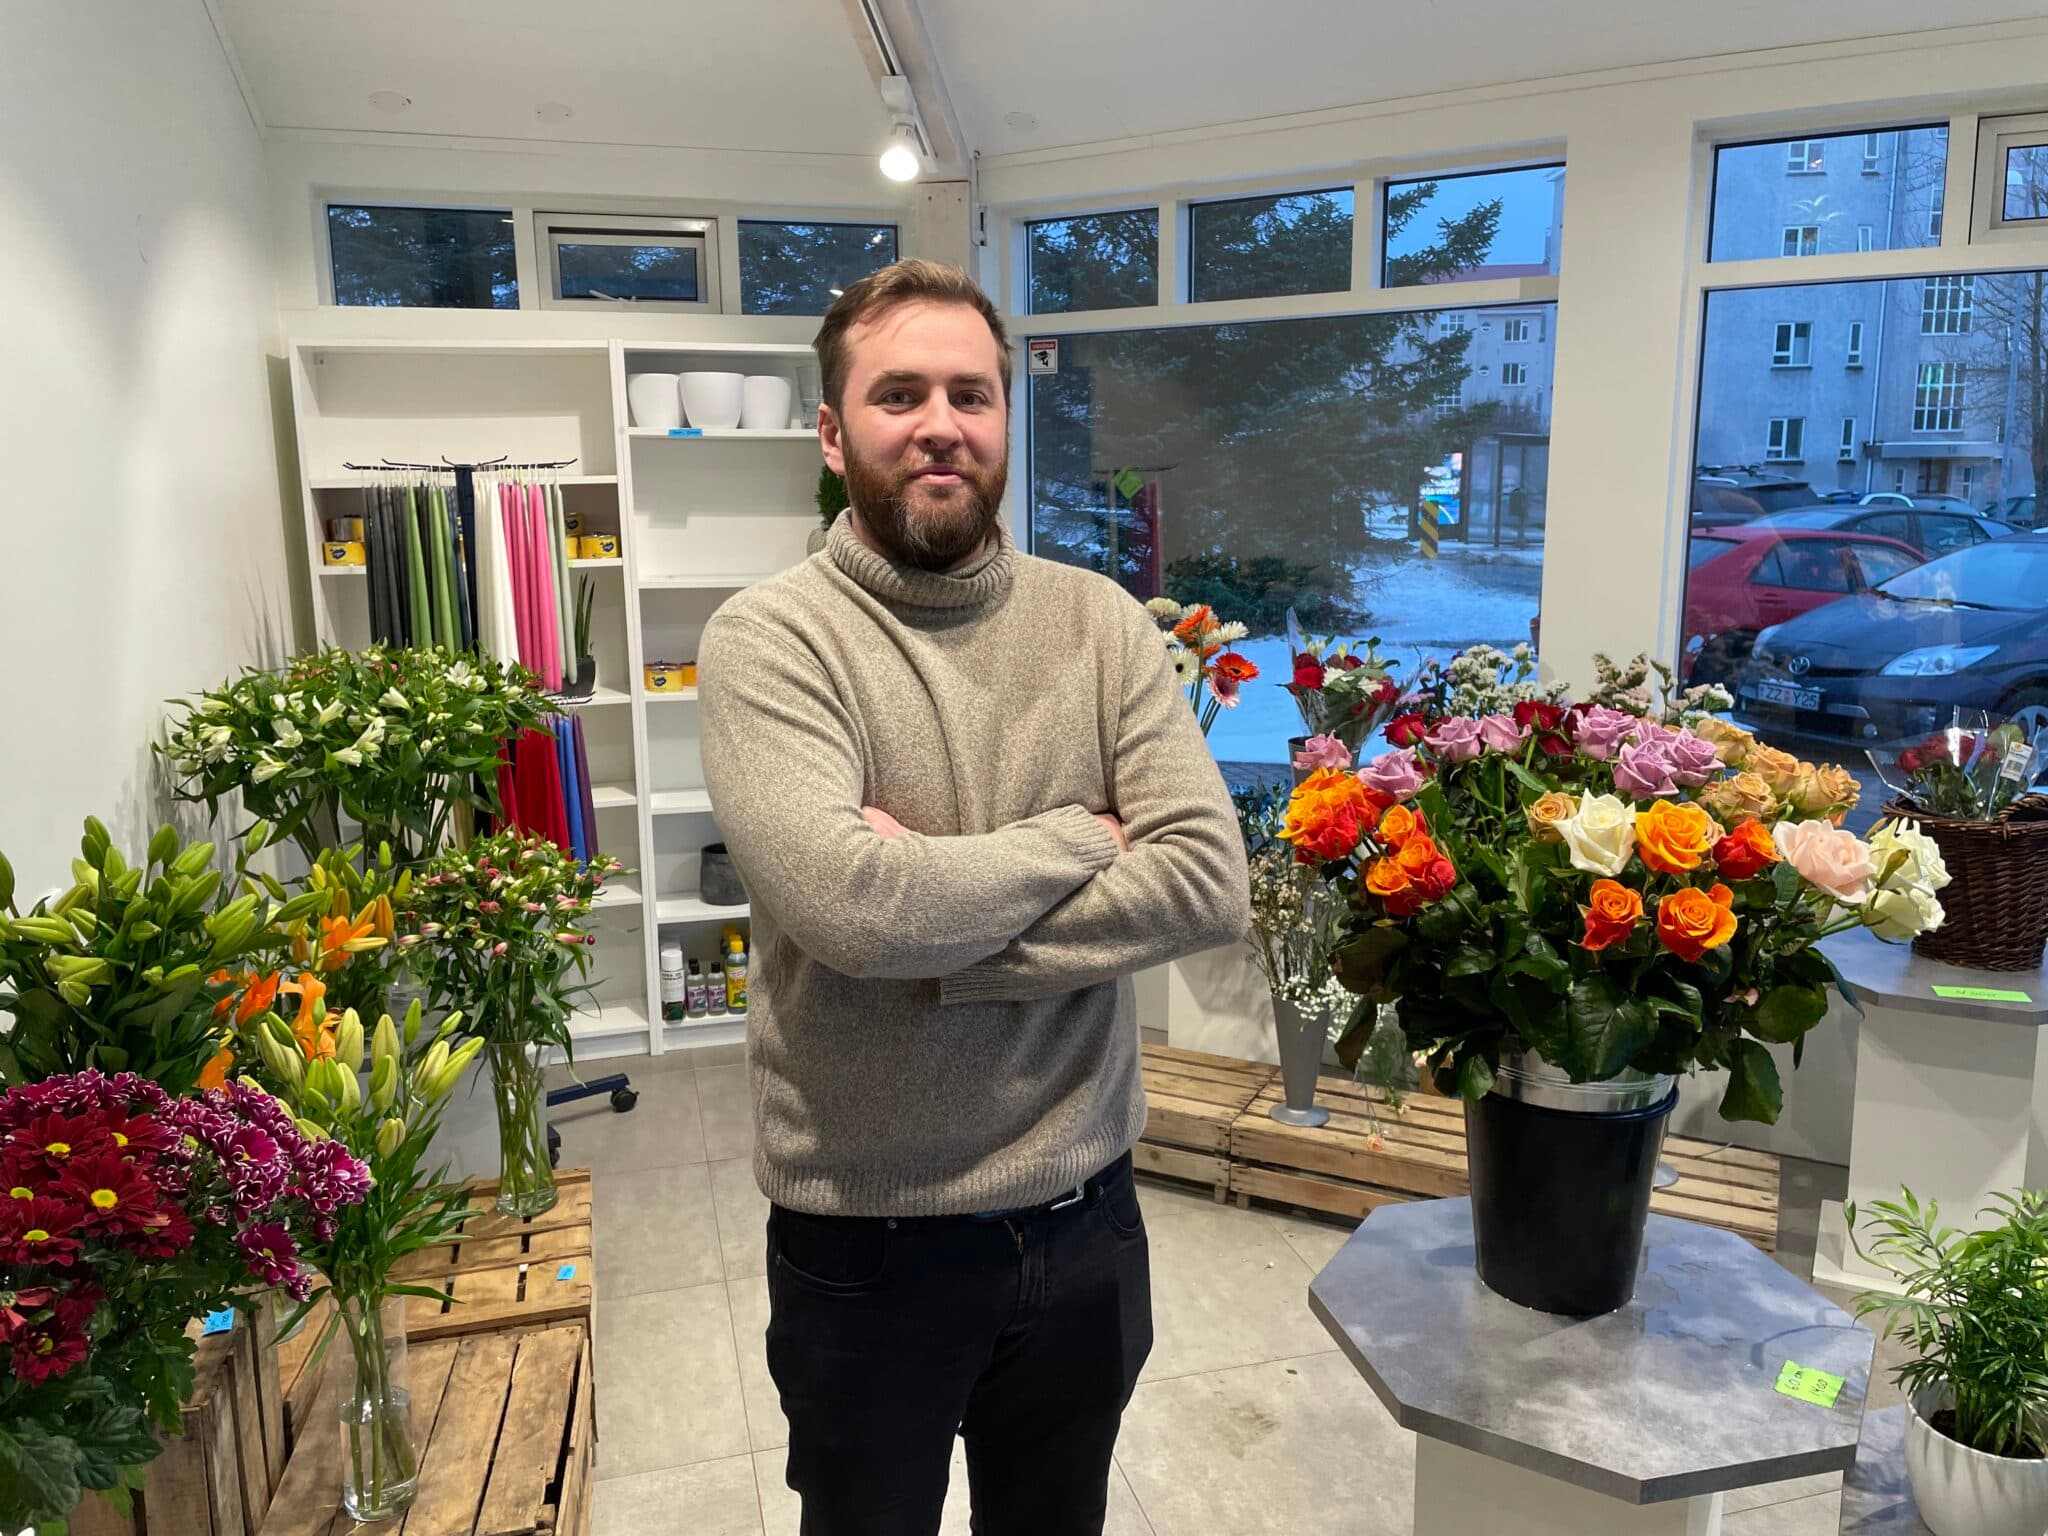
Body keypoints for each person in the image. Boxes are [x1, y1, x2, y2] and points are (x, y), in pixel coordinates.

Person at [698, 259, 1250, 1536]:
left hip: (1086, 1214)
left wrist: (934, 935)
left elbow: (1202, 881)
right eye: (897, 395)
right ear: (833, 432)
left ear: (1004, 421)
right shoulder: (769, 638)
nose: (939, 424)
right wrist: (1076, 837)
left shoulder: (1099, 623)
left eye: (970, 394)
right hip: (865, 1238)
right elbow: (852, 906)